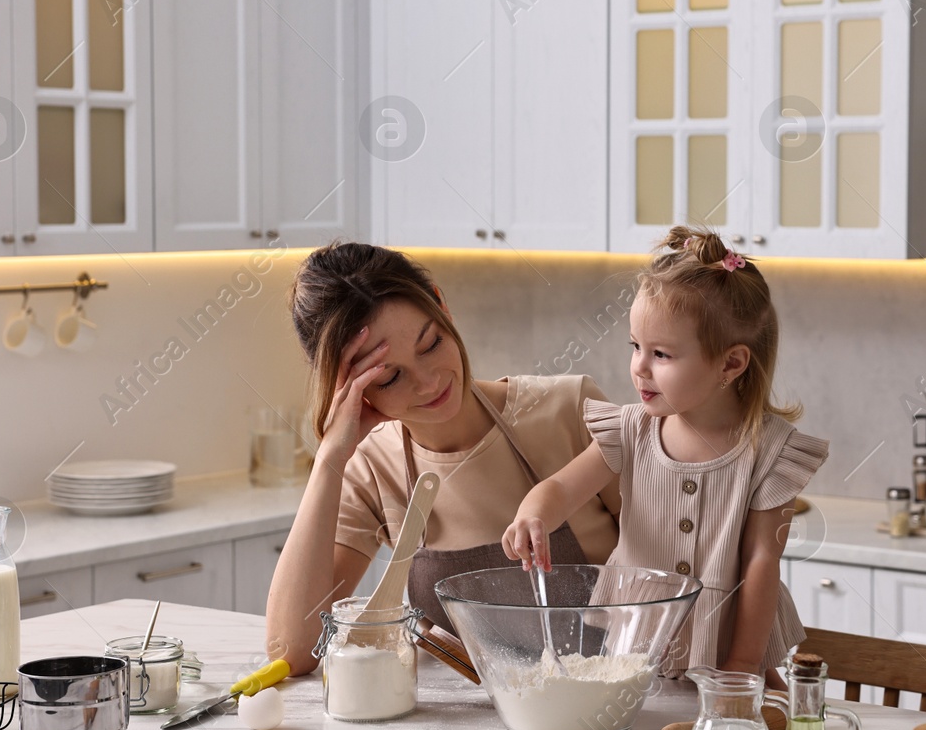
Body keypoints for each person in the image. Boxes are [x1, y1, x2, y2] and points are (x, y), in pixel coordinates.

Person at [266, 243, 620, 674]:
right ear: (348, 386)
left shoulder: (572, 410)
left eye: (431, 343)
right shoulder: (373, 469)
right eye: (391, 376)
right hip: (467, 729)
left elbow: (678, 567)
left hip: (610, 706)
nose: (429, 382)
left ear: (441, 304)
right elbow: (292, 651)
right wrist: (329, 460)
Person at [503, 226, 828, 678]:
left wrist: (742, 665)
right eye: (636, 346)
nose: (639, 366)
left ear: (730, 364)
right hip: (639, 631)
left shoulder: (770, 451)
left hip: (731, 639)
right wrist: (531, 513)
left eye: (662, 354)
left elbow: (761, 560)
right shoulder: (631, 429)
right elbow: (561, 488)